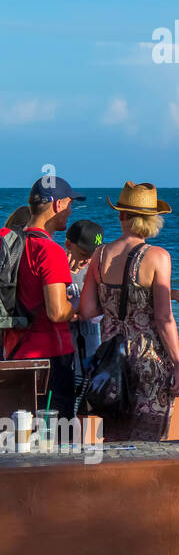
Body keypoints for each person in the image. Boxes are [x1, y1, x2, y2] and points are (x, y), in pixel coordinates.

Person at [77, 183, 179, 440]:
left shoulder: (100, 254)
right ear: (152, 220)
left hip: (112, 360)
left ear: (121, 215)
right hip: (149, 361)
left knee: (115, 439)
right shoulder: (158, 256)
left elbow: (87, 310)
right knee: (149, 443)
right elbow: (163, 317)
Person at [2, 177, 85, 419]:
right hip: (51, 359)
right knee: (56, 439)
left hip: (14, 355)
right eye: (69, 204)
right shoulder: (50, 251)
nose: (70, 211)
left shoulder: (7, 239)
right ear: (58, 205)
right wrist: (78, 309)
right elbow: (57, 312)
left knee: (19, 436)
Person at [64, 219, 104, 385]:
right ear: (68, 244)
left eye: (92, 254)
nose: (87, 259)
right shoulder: (58, 267)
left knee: (86, 400)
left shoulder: (96, 270)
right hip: (65, 351)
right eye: (83, 253)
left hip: (90, 349)